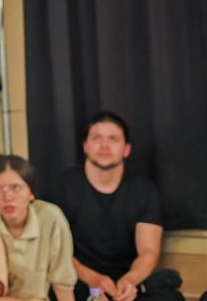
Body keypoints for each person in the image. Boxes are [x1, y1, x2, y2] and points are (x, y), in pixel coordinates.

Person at [52, 112, 184, 301]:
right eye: (96, 138)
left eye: (113, 139)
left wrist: (130, 280)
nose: (104, 145)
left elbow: (149, 251)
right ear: (85, 146)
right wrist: (92, 279)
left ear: (126, 149)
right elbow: (54, 251)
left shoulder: (144, 190)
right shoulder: (61, 187)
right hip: (77, 280)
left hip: (125, 282)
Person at [0, 155, 76, 301]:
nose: (7, 197)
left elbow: (63, 284)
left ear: (31, 193)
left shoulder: (50, 218)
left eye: (16, 188)